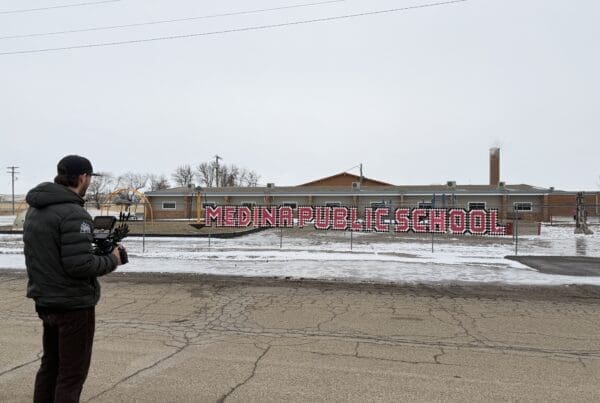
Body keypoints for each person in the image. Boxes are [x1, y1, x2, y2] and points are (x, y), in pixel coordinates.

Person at [23, 155, 125, 403]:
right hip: (73, 305)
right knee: (71, 375)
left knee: (50, 367)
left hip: (46, 300)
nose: (89, 181)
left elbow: (56, 255)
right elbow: (80, 265)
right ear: (83, 177)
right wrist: (113, 259)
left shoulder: (35, 210)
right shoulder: (74, 214)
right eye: (89, 177)